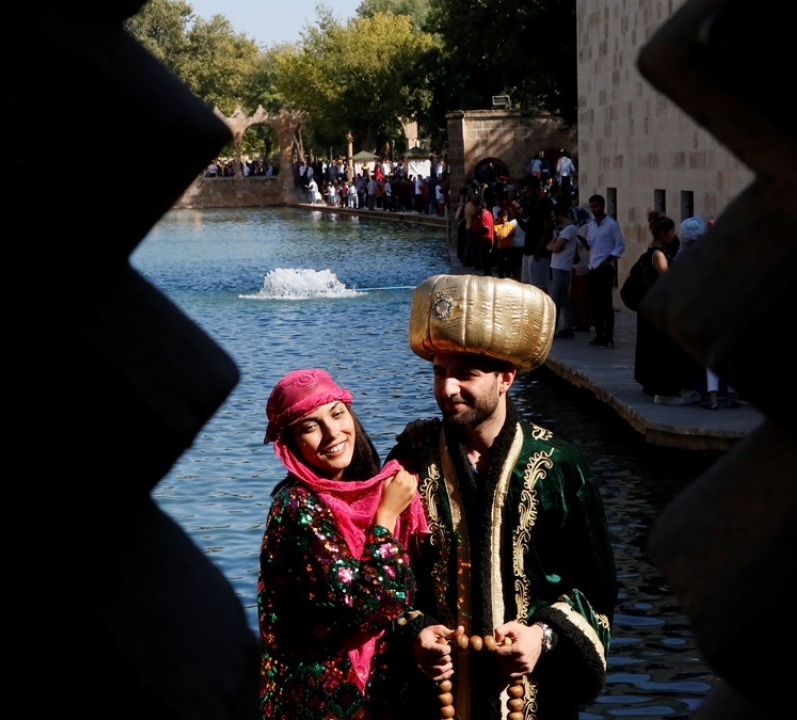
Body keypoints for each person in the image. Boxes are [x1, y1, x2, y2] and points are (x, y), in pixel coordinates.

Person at [380, 275, 618, 720]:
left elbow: (596, 591)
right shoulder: (411, 462)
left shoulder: (559, 466)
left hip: (533, 702)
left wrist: (543, 636)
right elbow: (382, 578)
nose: (446, 389)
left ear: (506, 377)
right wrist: (414, 632)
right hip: (431, 704)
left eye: (465, 374)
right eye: (439, 372)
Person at [257, 368, 429, 719]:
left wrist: (423, 438)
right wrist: (384, 521)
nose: (332, 433)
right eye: (310, 426)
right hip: (316, 703)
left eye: (337, 414)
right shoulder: (296, 508)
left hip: (372, 695)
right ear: (290, 445)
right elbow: (364, 607)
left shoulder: (363, 492)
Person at [632, 211, 703, 404]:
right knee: (665, 351)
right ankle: (666, 389)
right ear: (663, 233)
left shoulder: (649, 252)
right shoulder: (659, 256)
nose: (673, 237)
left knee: (652, 349)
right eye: (671, 233)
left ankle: (653, 385)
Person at [582, 195, 626, 348]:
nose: (594, 210)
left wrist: (608, 260)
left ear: (602, 206)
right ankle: (599, 335)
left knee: (606, 303)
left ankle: (609, 336)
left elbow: (620, 245)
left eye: (596, 206)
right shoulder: (591, 225)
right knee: (595, 303)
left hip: (605, 267)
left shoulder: (612, 225)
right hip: (593, 267)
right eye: (592, 207)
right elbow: (592, 244)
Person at [546, 202, 579, 338]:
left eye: (554, 216)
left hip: (561, 268)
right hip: (556, 267)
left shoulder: (569, 229)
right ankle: (567, 327)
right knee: (563, 300)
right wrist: (552, 246)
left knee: (556, 300)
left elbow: (556, 247)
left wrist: (553, 245)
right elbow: (550, 246)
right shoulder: (562, 229)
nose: (553, 219)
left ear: (559, 215)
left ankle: (553, 330)